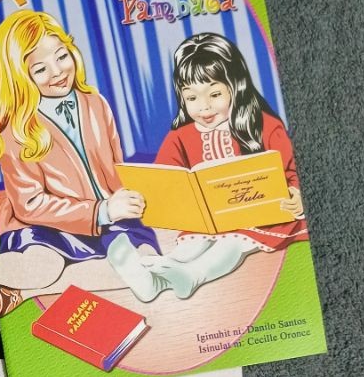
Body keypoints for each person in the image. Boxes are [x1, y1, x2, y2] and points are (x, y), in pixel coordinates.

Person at [0, 10, 158, 316]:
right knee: (44, 265)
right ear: (19, 80)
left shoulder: (95, 103)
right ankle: (2, 277)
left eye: (61, 56)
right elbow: (30, 205)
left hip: (105, 219)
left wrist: (128, 201)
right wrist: (99, 211)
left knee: (144, 261)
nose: (58, 71)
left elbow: (115, 168)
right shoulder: (17, 132)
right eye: (40, 70)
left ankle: (23, 290)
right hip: (42, 226)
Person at [110, 32, 308, 300]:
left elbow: (293, 170)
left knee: (231, 245)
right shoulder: (180, 136)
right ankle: (153, 280)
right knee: (191, 246)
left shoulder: (265, 126)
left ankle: (193, 276)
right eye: (192, 98)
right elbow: (164, 177)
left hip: (260, 216)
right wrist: (146, 195)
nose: (203, 107)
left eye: (214, 94)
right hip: (205, 221)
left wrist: (296, 194)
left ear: (235, 87)